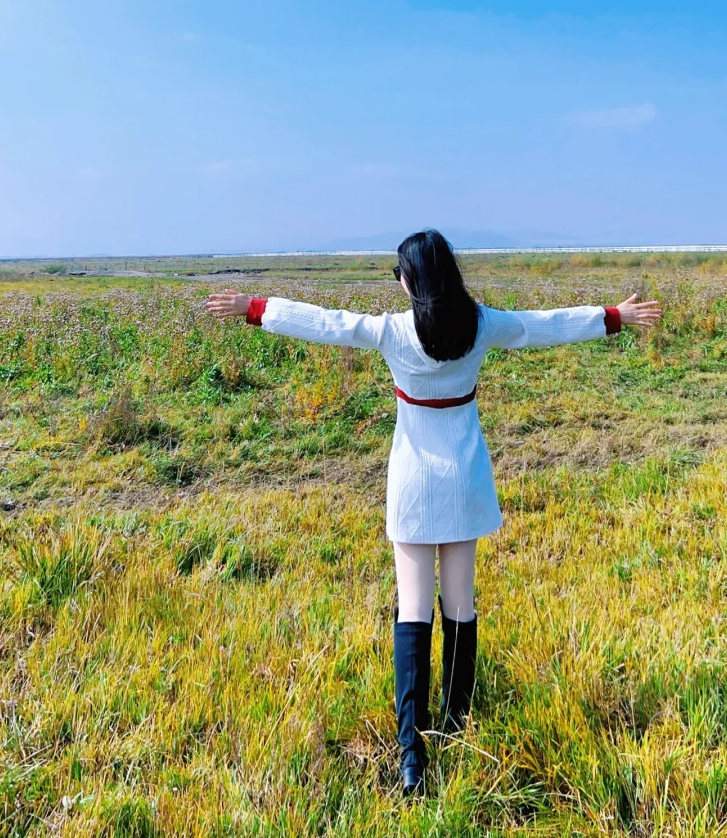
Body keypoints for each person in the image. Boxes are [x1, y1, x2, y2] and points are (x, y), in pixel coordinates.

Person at [206, 230, 661, 797]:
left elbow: (327, 323)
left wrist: (253, 308)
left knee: (413, 607)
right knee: (460, 605)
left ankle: (412, 755)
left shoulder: (393, 332)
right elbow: (543, 325)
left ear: (410, 281)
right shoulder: (480, 324)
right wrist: (613, 316)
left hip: (414, 484)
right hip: (465, 480)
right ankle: (457, 724)